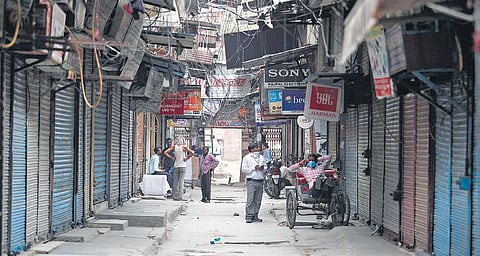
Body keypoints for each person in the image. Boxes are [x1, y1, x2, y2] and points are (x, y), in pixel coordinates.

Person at [241, 143, 266, 223]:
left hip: (260, 180)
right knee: (250, 199)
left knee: (258, 199)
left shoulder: (261, 157)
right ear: (251, 149)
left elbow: (265, 166)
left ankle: (255, 215)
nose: (258, 149)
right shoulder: (247, 158)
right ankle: (249, 215)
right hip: (251, 180)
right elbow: (244, 169)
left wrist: (263, 168)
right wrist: (253, 168)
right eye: (256, 148)